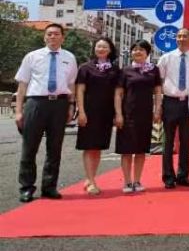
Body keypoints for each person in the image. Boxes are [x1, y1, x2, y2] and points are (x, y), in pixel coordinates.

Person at [15, 23, 78, 203]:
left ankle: (49, 187)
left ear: (62, 37)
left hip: (59, 104)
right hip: (36, 103)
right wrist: (18, 111)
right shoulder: (32, 57)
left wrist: (71, 106)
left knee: (54, 148)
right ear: (44, 37)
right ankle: (27, 187)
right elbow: (22, 85)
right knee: (29, 147)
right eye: (49, 34)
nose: (52, 37)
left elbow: (71, 84)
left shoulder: (69, 58)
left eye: (56, 34)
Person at [115, 39, 162, 193]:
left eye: (141, 49)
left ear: (147, 53)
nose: (137, 52)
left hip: (145, 115)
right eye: (135, 49)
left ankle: (137, 180)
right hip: (128, 114)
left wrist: (157, 110)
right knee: (127, 150)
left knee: (141, 150)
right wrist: (118, 114)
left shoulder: (153, 70)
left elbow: (157, 92)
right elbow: (118, 94)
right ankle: (127, 182)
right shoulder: (125, 70)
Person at [75, 37, 120, 196]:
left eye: (104, 47)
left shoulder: (115, 70)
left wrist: (117, 113)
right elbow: (80, 91)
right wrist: (81, 111)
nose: (101, 49)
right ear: (94, 49)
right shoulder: (85, 68)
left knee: (98, 147)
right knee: (89, 146)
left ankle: (90, 177)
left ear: (110, 50)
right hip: (89, 111)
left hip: (106, 113)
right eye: (98, 46)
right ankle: (91, 180)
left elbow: (117, 93)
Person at [157, 27, 189, 189]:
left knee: (185, 141)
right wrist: (158, 105)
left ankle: (183, 175)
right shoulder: (166, 58)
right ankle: (168, 176)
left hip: (188, 103)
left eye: (184, 36)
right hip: (170, 102)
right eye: (179, 36)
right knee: (168, 141)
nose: (181, 38)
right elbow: (159, 82)